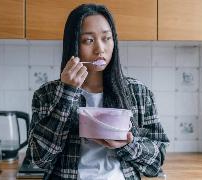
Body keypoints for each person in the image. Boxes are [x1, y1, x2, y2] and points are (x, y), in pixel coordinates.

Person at [27, 3, 169, 180]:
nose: (100, 49)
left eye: (106, 38)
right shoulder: (46, 94)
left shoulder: (139, 93)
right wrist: (67, 93)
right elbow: (38, 159)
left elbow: (156, 162)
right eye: (88, 40)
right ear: (74, 45)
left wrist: (128, 144)